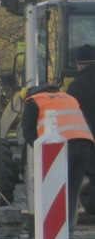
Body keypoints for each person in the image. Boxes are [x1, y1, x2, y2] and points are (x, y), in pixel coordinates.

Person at [20, 83, 94, 231]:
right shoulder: (68, 97)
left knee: (53, 188)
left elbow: (28, 132)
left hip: (62, 144)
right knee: (72, 190)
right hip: (85, 142)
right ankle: (68, 232)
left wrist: (44, 153)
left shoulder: (33, 101)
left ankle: (53, 231)